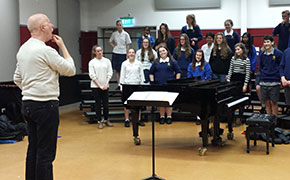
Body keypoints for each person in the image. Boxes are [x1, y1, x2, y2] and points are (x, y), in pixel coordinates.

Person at [13, 13, 76, 180]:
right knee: (46, 154)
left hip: (27, 104)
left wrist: (31, 89)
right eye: (49, 24)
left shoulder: (23, 49)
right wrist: (63, 47)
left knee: (33, 149)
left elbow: (17, 78)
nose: (52, 27)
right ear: (42, 28)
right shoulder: (45, 50)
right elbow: (70, 70)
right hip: (46, 106)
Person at [149, 46, 181, 124]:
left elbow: (178, 72)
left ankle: (169, 117)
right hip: (159, 85)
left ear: (167, 51)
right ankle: (162, 117)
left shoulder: (172, 61)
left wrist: (176, 82)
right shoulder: (156, 62)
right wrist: (153, 83)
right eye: (160, 51)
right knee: (161, 102)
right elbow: (151, 73)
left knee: (169, 102)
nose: (162, 52)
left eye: (163, 51)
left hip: (170, 85)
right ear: (158, 53)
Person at [259, 35, 283, 121]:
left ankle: (274, 122)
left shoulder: (278, 53)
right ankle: (268, 122)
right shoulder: (262, 54)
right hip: (264, 81)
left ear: (272, 43)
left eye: (268, 42)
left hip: (274, 82)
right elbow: (261, 68)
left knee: (274, 102)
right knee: (267, 102)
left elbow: (281, 67)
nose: (266, 44)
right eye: (264, 42)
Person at [88, 45, 113, 129]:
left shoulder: (107, 61)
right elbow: (92, 75)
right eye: (98, 51)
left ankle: (106, 119)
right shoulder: (92, 62)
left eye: (101, 50)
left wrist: (106, 84)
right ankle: (99, 120)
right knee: (98, 104)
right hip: (95, 87)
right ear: (95, 52)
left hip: (105, 86)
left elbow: (110, 72)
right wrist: (99, 86)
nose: (100, 52)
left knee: (106, 104)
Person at [120, 49, 145, 127]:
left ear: (135, 54)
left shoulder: (139, 63)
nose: (131, 54)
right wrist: (121, 86)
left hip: (137, 85)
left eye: (133, 52)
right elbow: (122, 75)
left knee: (138, 104)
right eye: (129, 52)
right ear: (127, 54)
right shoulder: (124, 64)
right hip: (127, 86)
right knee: (126, 104)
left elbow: (141, 74)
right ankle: (127, 119)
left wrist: (142, 85)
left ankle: (138, 119)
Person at [109, 20, 132, 88]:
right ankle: (119, 82)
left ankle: (123, 82)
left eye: (120, 25)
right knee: (117, 69)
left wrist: (127, 53)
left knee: (123, 68)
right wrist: (113, 45)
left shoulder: (126, 34)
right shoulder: (114, 34)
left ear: (122, 25)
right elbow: (110, 41)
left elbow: (127, 44)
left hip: (123, 52)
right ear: (116, 26)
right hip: (116, 52)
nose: (119, 26)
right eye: (118, 25)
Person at [280, 47, 290, 112]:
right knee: (288, 103)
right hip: (286, 82)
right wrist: (282, 77)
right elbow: (281, 66)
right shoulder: (286, 51)